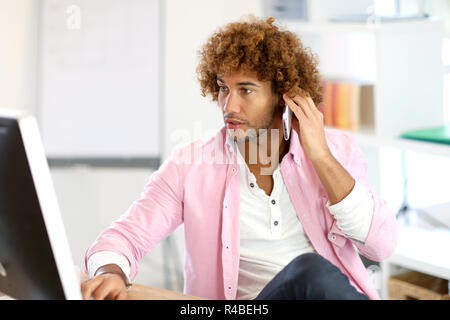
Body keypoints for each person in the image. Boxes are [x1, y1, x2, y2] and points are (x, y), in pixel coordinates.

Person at [80, 16, 397, 300]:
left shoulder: (336, 151)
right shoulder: (191, 165)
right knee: (310, 272)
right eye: (222, 89)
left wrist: (320, 156)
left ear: (283, 95)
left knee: (313, 276)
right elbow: (123, 237)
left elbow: (380, 245)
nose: (229, 106)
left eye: (245, 91)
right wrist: (110, 272)